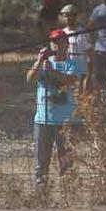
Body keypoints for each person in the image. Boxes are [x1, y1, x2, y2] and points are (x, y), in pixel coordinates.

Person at [26, 29, 83, 189]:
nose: (57, 44)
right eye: (54, 41)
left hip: (66, 121)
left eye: (61, 41)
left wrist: (52, 71)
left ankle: (67, 195)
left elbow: (69, 80)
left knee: (66, 162)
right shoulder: (43, 63)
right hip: (43, 120)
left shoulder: (73, 64)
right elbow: (29, 78)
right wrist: (38, 61)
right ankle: (41, 195)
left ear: (67, 44)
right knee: (41, 162)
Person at [60, 3, 93, 93]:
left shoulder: (83, 33)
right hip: (65, 70)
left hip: (81, 70)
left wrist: (89, 75)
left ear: (75, 17)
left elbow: (90, 55)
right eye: (65, 16)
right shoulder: (61, 33)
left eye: (71, 16)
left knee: (79, 96)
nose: (68, 18)